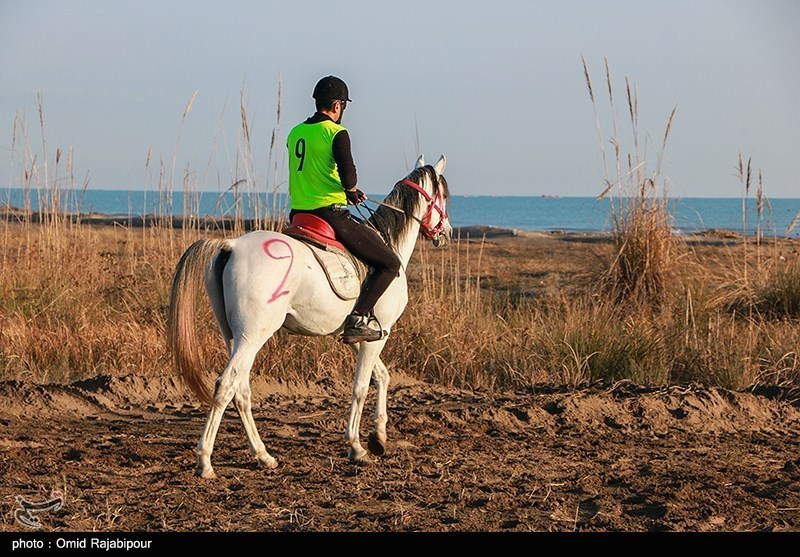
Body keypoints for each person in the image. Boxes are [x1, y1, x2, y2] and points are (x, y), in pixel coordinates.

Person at [286, 75, 401, 344]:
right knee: (389, 263)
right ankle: (359, 317)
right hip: (330, 213)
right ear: (338, 105)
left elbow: (311, 171)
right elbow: (348, 175)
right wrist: (351, 190)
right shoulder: (336, 133)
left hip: (298, 214)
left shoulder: (295, 132)